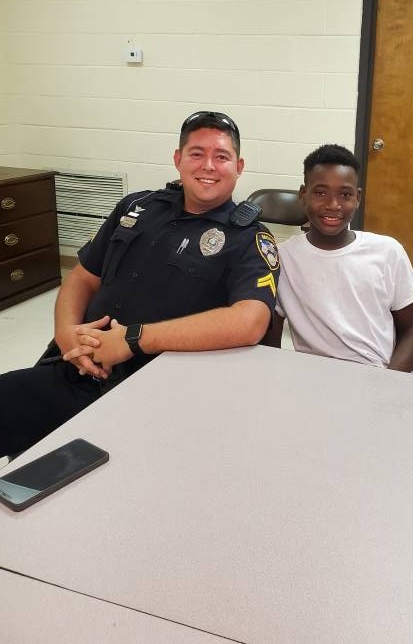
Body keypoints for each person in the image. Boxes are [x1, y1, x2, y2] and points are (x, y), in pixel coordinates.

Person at [0, 111, 280, 457]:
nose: (208, 165)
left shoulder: (249, 239)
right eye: (196, 153)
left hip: (155, 396)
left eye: (221, 156)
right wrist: (66, 331)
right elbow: (83, 277)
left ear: (238, 167)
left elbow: (250, 322)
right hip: (74, 369)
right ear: (178, 160)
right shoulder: (136, 207)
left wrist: (133, 339)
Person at [263, 144, 413, 372]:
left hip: (375, 375)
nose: (333, 205)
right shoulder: (282, 259)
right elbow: (271, 339)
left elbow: (412, 331)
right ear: (303, 195)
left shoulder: (387, 252)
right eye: (320, 192)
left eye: (345, 194)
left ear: (357, 198)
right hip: (312, 378)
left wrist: (390, 382)